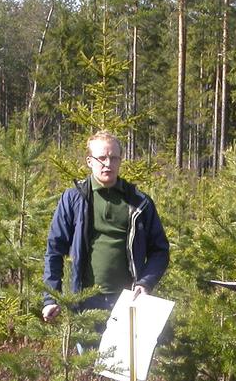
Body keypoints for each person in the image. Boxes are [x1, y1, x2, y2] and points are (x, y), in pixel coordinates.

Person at [42, 130, 170, 324]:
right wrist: (51, 298)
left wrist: (145, 283)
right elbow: (54, 250)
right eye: (101, 158)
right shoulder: (73, 199)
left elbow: (160, 251)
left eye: (114, 158)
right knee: (89, 355)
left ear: (120, 160)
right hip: (83, 303)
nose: (108, 164)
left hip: (128, 302)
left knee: (125, 356)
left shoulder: (139, 202)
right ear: (89, 161)